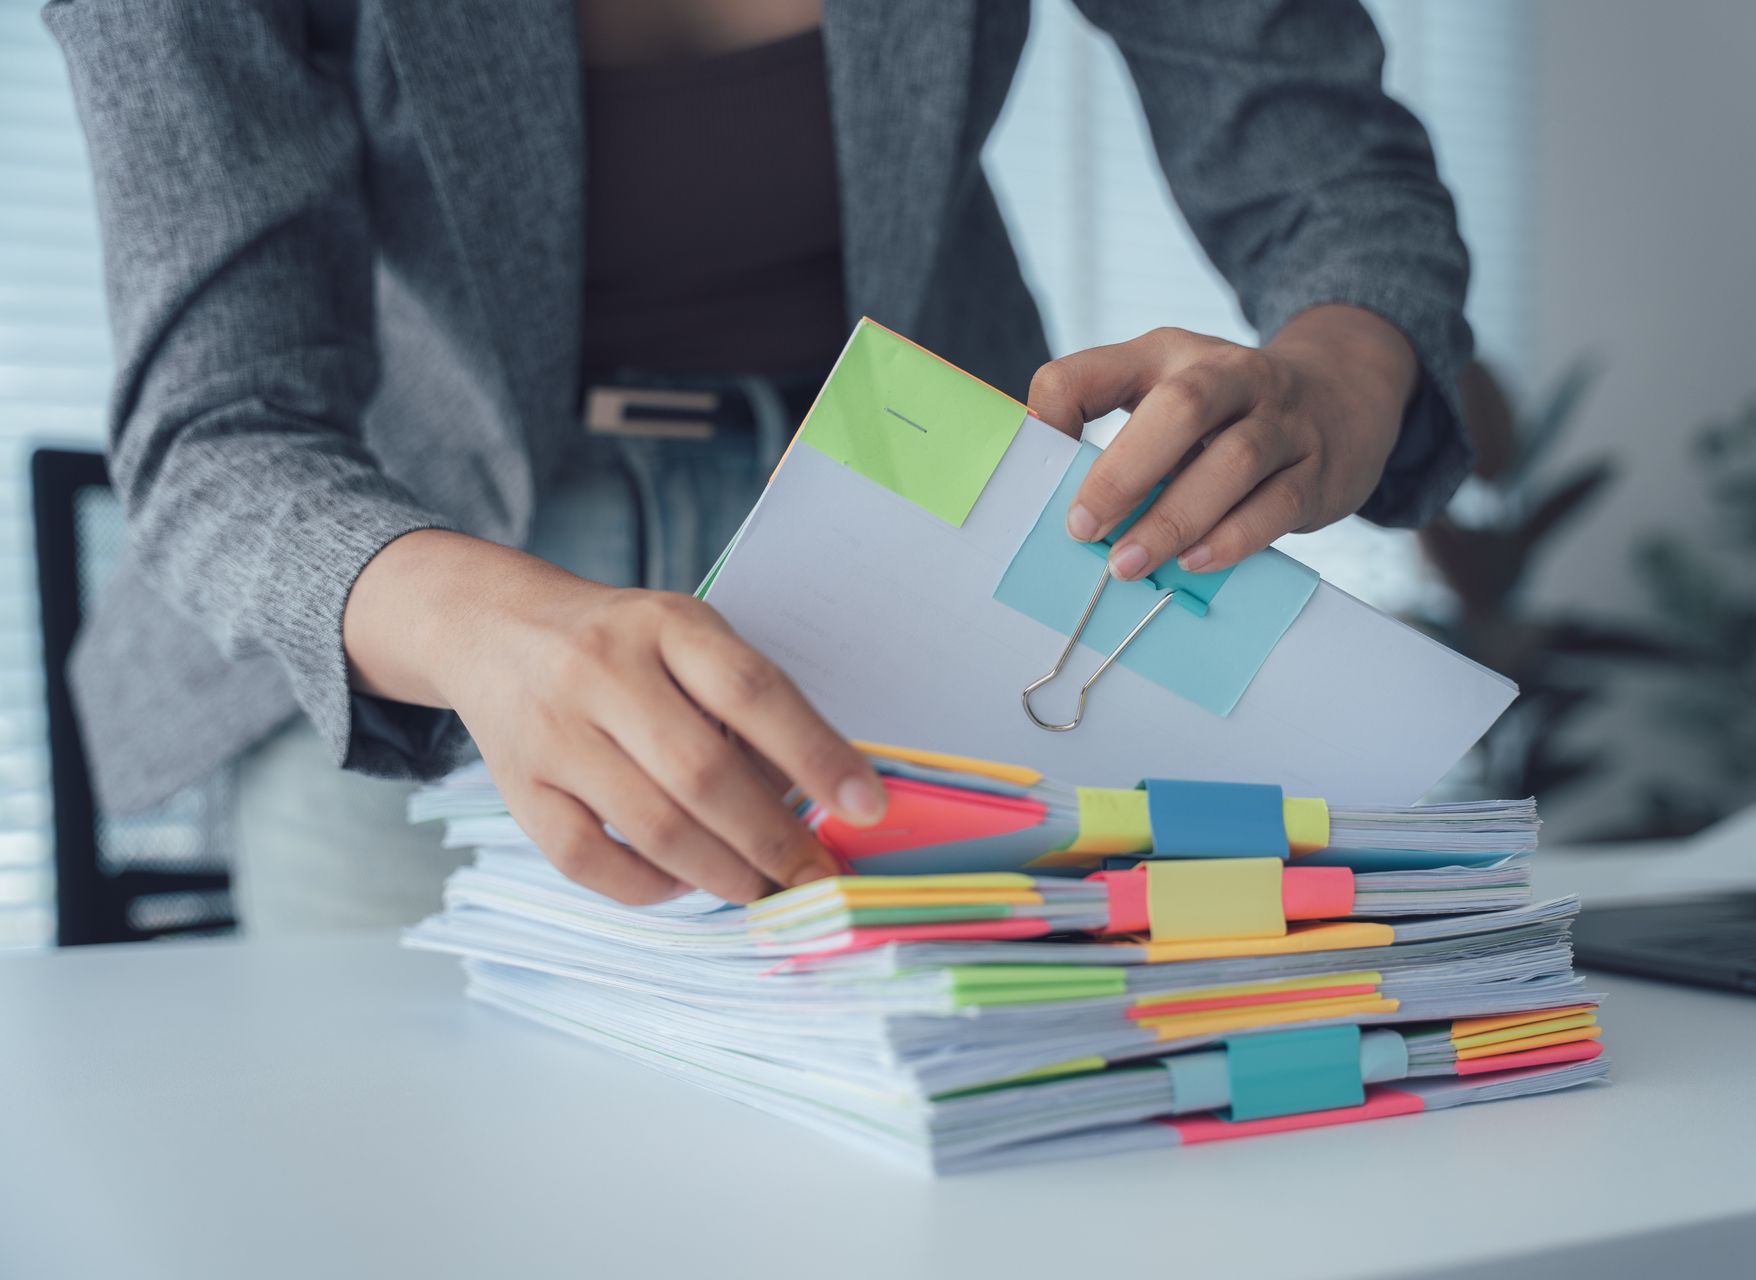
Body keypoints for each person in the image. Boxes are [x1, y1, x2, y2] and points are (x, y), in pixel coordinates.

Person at [45, 0, 1473, 932]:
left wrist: (1341, 377)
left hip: (934, 559)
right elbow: (219, 421)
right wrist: (484, 631)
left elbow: (1330, 170)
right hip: (430, 606)